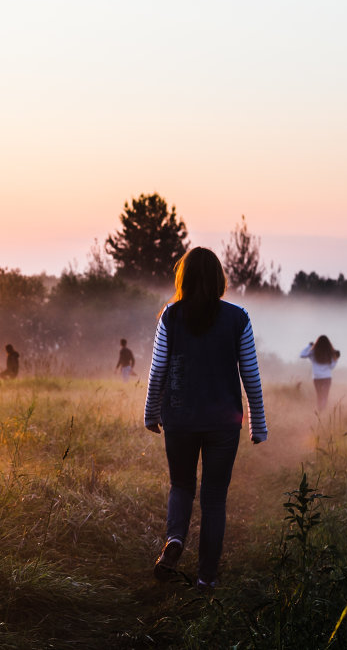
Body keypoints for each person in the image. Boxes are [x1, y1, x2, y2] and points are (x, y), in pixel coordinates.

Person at [143, 247, 267, 590]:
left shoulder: (171, 315)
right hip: (224, 423)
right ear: (218, 279)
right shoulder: (238, 318)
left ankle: (175, 540)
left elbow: (157, 373)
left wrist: (151, 411)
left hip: (179, 418)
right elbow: (251, 376)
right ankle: (205, 578)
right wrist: (259, 422)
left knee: (181, 485)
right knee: (214, 498)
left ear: (183, 278)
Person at [300, 335, 340, 411]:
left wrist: (309, 346)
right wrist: (336, 359)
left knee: (319, 395)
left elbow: (302, 355)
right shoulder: (330, 353)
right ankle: (323, 411)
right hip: (327, 377)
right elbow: (332, 367)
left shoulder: (313, 352)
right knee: (325, 396)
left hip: (316, 378)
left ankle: (320, 411)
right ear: (328, 343)